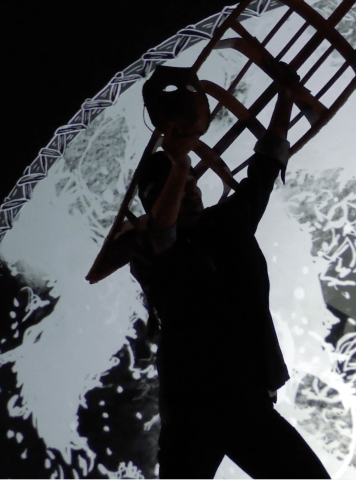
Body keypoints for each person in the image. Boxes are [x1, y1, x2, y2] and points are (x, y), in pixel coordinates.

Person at [130, 65, 330, 479]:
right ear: (153, 205)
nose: (191, 194)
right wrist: (179, 161)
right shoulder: (148, 253)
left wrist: (286, 93)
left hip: (245, 399)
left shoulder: (228, 224)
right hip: (193, 407)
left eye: (191, 188)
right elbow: (163, 232)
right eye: (179, 191)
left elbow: (267, 161)